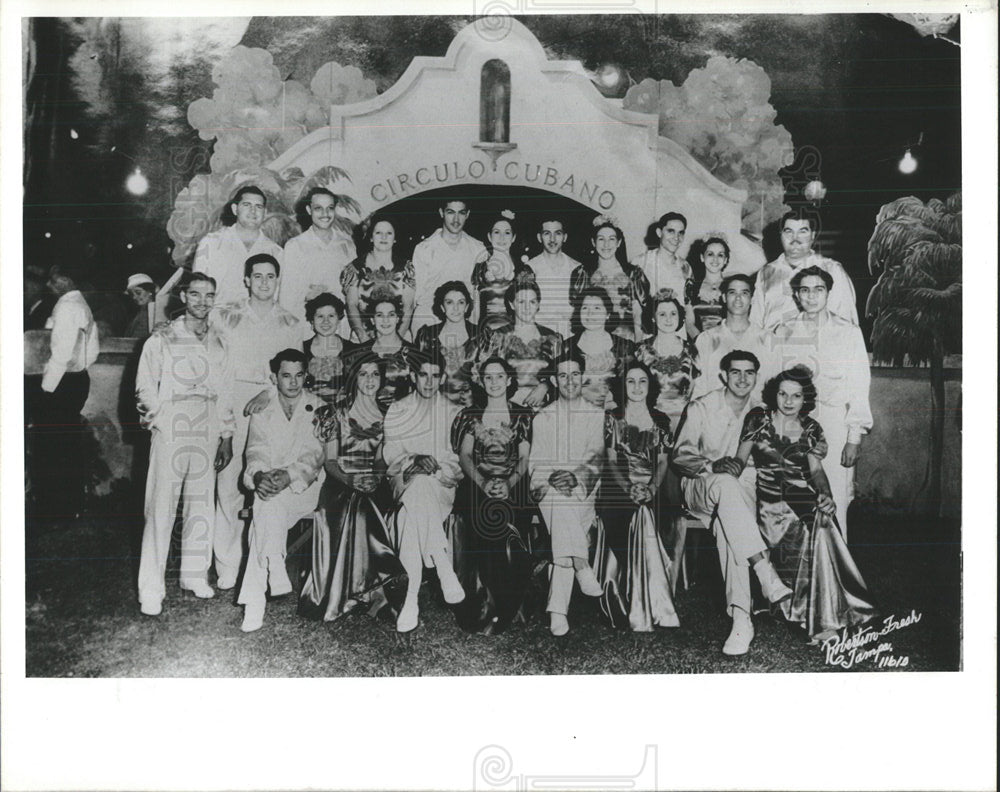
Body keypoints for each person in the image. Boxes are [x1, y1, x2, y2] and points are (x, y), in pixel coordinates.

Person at [735, 366, 877, 642]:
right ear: (773, 394)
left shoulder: (812, 428)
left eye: (796, 396)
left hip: (800, 493)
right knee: (812, 526)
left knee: (822, 520)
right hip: (770, 502)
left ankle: (826, 618)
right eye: (783, 394)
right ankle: (816, 613)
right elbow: (740, 460)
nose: (788, 401)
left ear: (805, 398)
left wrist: (826, 494)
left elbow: (816, 472)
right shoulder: (758, 418)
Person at [672, 350, 793, 655]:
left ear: (756, 376)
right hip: (700, 484)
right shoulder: (702, 406)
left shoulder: (762, 411)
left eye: (749, 372)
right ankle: (764, 573)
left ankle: (742, 619)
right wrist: (713, 466)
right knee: (726, 486)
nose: (742, 379)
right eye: (735, 372)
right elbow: (681, 456)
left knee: (731, 524)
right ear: (723, 375)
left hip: (740, 493)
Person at [135, 273, 233, 616]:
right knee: (161, 507)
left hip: (206, 424)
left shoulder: (220, 341)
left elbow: (225, 391)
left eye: (209, 295)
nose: (202, 301)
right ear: (182, 295)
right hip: (173, 425)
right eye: (195, 294)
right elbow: (145, 388)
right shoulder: (162, 337)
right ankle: (151, 588)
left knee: (201, 503)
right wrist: (162, 421)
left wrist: (226, 433)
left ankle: (194, 575)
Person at [211, 253, 301, 589]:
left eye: (271, 277)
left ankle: (262, 561)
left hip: (270, 405)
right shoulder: (226, 316)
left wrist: (269, 390)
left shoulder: (291, 323)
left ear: (278, 281)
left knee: (262, 480)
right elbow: (217, 363)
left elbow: (291, 369)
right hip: (233, 400)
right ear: (247, 280)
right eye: (258, 276)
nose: (264, 283)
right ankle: (227, 565)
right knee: (228, 484)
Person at [298, 353, 407, 624]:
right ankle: (374, 587)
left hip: (375, 481)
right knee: (355, 503)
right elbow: (330, 462)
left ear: (382, 380)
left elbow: (383, 458)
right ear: (353, 378)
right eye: (363, 374)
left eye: (375, 374)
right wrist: (350, 480)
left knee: (367, 501)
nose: (369, 380)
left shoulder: (390, 416)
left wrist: (375, 476)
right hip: (339, 482)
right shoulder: (334, 413)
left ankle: (365, 591)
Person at [770, 266, 872, 536]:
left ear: (828, 292)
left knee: (834, 494)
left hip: (834, 424)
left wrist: (854, 437)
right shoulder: (785, 330)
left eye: (818, 289)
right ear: (796, 295)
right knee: (794, 493)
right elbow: (774, 381)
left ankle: (835, 570)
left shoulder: (847, 331)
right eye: (805, 290)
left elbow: (859, 385)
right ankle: (800, 572)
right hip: (793, 423)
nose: (812, 296)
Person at [238, 349, 326, 632]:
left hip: (306, 488)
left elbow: (315, 455)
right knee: (267, 503)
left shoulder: (319, 406)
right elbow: (256, 449)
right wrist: (261, 474)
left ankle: (256, 601)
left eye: (299, 375)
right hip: (273, 488)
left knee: (264, 512)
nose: (293, 382)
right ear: (274, 377)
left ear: (305, 376)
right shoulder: (263, 409)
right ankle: (274, 565)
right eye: (286, 376)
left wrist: (288, 475)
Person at [382, 351, 466, 632]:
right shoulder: (398, 409)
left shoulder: (453, 412)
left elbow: (458, 462)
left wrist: (436, 467)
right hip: (404, 482)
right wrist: (413, 460)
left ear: (442, 377)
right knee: (416, 488)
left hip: (440, 486)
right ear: (413, 376)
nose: (429, 382)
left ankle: (411, 599)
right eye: (422, 375)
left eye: (435, 375)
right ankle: (441, 562)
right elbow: (390, 453)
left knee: (411, 515)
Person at [451, 357, 534, 633]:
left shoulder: (522, 415)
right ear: (481, 381)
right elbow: (464, 455)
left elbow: (524, 458)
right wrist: (483, 482)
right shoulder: (470, 414)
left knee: (509, 517)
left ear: (509, 380)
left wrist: (508, 483)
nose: (494, 382)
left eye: (500, 377)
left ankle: (511, 601)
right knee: (479, 517)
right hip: (476, 482)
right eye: (488, 377)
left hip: (514, 482)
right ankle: (483, 602)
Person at [595, 361, 679, 631]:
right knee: (632, 510)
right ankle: (626, 597)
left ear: (650, 386)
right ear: (623, 386)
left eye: (642, 381)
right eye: (630, 381)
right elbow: (609, 460)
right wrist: (629, 487)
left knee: (649, 510)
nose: (637, 387)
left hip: (653, 486)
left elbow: (664, 462)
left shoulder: (662, 420)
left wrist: (651, 488)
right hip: (618, 485)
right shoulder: (612, 418)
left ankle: (653, 600)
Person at [529, 350, 606, 636]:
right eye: (563, 375)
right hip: (549, 491)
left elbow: (596, 457)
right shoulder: (543, 418)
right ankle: (582, 565)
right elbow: (536, 463)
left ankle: (557, 610)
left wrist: (574, 477)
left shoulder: (596, 415)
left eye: (575, 374)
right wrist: (553, 477)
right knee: (558, 503)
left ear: (583, 377)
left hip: (582, 493)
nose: (570, 380)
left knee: (565, 514)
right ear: (554, 379)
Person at [34, 263, 100, 517]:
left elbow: (60, 353)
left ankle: (55, 507)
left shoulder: (67, 306)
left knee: (53, 447)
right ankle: (70, 505)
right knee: (67, 444)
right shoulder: (80, 303)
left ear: (66, 280)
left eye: (53, 280)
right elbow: (91, 351)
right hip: (76, 379)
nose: (49, 285)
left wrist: (46, 388)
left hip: (61, 382)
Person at [751, 211, 858, 331]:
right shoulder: (766, 272)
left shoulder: (832, 269)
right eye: (788, 231)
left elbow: (846, 321)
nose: (795, 238)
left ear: (812, 235)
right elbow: (755, 321)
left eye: (802, 231)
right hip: (771, 346)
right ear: (781, 235)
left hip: (816, 346)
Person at [280, 187, 356, 338]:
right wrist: (307, 294)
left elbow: (353, 288)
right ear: (309, 210)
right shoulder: (295, 245)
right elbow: (286, 297)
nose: (325, 214)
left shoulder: (347, 244)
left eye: (330, 208)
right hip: (307, 327)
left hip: (341, 327)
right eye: (318, 209)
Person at [478, 281, 563, 409]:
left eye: (532, 302)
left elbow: (563, 373)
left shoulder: (552, 338)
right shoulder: (498, 337)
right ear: (512, 304)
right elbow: (480, 373)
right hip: (506, 407)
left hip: (545, 407)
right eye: (521, 302)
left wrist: (545, 386)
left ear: (538, 305)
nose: (527, 308)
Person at [194, 185, 284, 305]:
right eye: (247, 205)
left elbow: (277, 297)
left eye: (258, 206)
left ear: (265, 213)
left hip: (258, 320)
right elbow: (198, 289)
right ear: (235, 209)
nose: (253, 211)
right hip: (218, 318)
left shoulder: (275, 251)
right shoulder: (212, 243)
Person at [691, 274, 773, 401]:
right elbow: (698, 388)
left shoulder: (767, 339)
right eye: (732, 292)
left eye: (744, 293)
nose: (738, 298)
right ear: (724, 297)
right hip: (715, 415)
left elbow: (774, 385)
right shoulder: (706, 339)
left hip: (756, 415)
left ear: (752, 298)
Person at [411, 198, 486, 333]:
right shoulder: (424, 248)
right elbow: (416, 296)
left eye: (461, 213)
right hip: (429, 320)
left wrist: (473, 327)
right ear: (441, 212)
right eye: (451, 212)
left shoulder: (478, 248)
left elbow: (476, 294)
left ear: (467, 214)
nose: (456, 219)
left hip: (462, 319)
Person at [570, 217, 649, 341]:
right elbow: (579, 312)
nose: (606, 244)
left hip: (626, 338)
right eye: (601, 239)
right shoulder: (583, 274)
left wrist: (638, 342)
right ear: (593, 242)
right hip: (594, 336)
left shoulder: (633, 273)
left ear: (618, 243)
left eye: (611, 239)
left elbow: (637, 313)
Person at [341, 215, 416, 342]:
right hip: (363, 337)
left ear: (395, 238)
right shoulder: (355, 268)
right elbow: (351, 306)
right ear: (371, 237)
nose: (384, 237)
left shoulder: (406, 268)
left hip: (399, 335)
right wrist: (364, 339)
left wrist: (396, 339)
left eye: (389, 233)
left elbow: (408, 307)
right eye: (378, 233)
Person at [633, 294, 699, 431]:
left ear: (679, 316)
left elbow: (696, 390)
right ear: (653, 318)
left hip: (684, 422)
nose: (668, 319)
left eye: (673, 313)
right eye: (662, 314)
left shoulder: (691, 350)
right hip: (649, 422)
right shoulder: (641, 350)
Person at [344, 294, 419, 412]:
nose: (385, 320)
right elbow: (349, 394)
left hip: (405, 420)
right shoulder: (358, 354)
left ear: (398, 318)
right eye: (379, 315)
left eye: (391, 314)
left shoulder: (414, 354)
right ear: (372, 320)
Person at [563, 287, 634, 410]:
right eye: (585, 308)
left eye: (597, 308)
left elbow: (632, 384)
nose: (590, 314)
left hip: (615, 413)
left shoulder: (625, 347)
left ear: (608, 314)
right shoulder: (565, 347)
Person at [471, 210, 533, 333]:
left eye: (507, 233)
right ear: (489, 236)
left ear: (514, 237)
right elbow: (475, 310)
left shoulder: (524, 271)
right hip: (485, 333)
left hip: (515, 334)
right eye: (497, 232)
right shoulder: (479, 269)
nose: (502, 238)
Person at [525, 215, 580, 338]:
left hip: (570, 336)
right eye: (547, 233)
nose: (552, 239)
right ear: (539, 237)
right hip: (539, 336)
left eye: (558, 233)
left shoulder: (577, 268)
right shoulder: (530, 268)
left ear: (565, 237)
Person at [303, 293, 353, 403]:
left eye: (331, 316)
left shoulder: (353, 350)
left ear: (339, 320)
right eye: (320, 316)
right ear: (312, 320)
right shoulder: (300, 350)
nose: (326, 321)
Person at [684, 235, 730, 336]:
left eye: (720, 255)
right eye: (710, 254)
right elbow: (689, 325)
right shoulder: (691, 287)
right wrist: (703, 345)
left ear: (726, 260)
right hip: (699, 344)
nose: (715, 259)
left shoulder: (732, 286)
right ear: (702, 257)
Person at [124, 270, 182, 338]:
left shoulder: (157, 312)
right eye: (131, 294)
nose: (134, 297)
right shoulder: (139, 313)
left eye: (138, 292)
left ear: (150, 291)